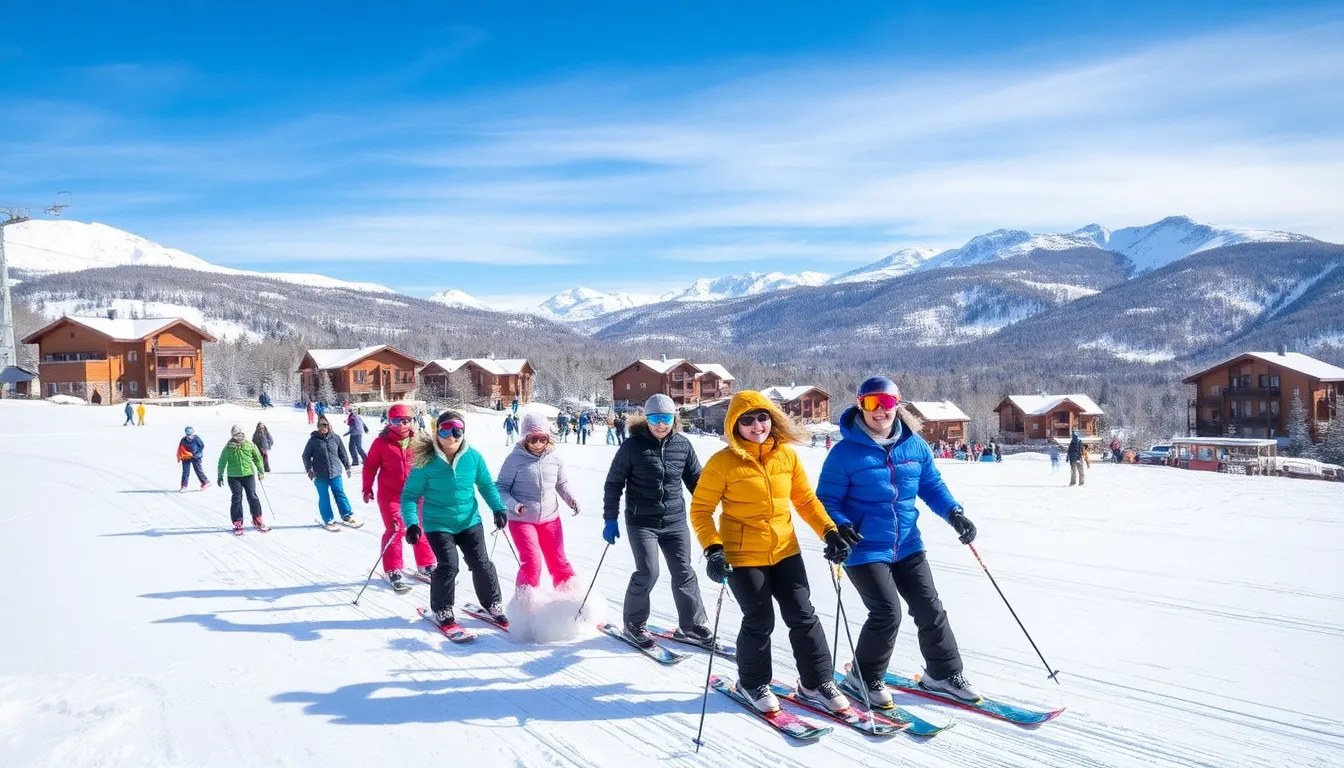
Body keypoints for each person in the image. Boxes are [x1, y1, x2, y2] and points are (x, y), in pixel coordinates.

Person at [817, 376, 982, 707]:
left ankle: (942, 673)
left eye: (887, 403)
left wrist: (954, 513)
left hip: (907, 543)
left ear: (898, 404)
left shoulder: (915, 445)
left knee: (929, 607)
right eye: (871, 404)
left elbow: (931, 485)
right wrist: (841, 526)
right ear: (859, 405)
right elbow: (826, 499)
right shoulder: (844, 453)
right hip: (862, 547)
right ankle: (863, 677)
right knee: (887, 612)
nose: (880, 411)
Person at [689, 390, 851, 715]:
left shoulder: (786, 456)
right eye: (747, 420)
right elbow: (701, 510)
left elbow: (805, 501)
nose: (756, 425)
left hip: (785, 549)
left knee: (803, 614)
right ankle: (752, 682)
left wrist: (830, 531)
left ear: (771, 419)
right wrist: (713, 550)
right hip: (742, 554)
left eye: (762, 417)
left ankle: (816, 683)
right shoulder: (722, 463)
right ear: (735, 425)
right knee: (759, 619)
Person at [604, 394, 712, 646]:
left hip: (675, 522)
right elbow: (614, 484)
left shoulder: (683, 445)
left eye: (665, 418)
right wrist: (610, 518)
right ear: (646, 418)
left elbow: (697, 482)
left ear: (674, 418)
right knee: (648, 572)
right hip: (642, 522)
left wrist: (717, 504)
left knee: (684, 572)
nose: (660, 424)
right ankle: (634, 624)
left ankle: (691, 626)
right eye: (654, 418)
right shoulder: (631, 447)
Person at [401, 411, 509, 628]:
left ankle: (492, 603)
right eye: (445, 430)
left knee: (481, 563)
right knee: (449, 565)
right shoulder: (426, 462)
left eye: (457, 430)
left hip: (469, 521)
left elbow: (486, 485)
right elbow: (410, 496)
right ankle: (441, 608)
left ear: (463, 432)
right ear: (437, 432)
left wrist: (498, 508)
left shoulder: (474, 457)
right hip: (438, 524)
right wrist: (412, 523)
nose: (451, 436)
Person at [496, 413, 579, 592]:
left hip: (550, 517)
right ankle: (525, 604)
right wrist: (514, 505)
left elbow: (561, 484)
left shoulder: (555, 458)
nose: (539, 443)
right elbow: (500, 487)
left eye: (543, 438)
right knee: (532, 561)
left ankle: (571, 598)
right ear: (525, 438)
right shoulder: (514, 460)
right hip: (522, 519)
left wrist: (570, 499)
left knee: (558, 559)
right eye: (533, 439)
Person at [363, 402, 435, 591]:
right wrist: (367, 487)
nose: (402, 425)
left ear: (412, 421)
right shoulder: (381, 443)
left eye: (406, 420)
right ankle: (393, 569)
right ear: (389, 422)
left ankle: (426, 564)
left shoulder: (420, 441)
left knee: (419, 527)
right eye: (396, 421)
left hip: (416, 495)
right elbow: (370, 466)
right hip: (390, 495)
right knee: (396, 529)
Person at [303, 415, 360, 528]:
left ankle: (346, 515)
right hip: (320, 474)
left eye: (324, 425)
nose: (322, 428)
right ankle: (328, 518)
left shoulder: (336, 438)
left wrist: (347, 466)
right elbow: (306, 456)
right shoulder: (313, 441)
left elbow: (342, 453)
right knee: (324, 496)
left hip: (335, 472)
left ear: (329, 426)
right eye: (320, 426)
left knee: (339, 493)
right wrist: (309, 469)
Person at [217, 424, 266, 532]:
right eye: (236, 435)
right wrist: (220, 475)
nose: (239, 437)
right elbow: (222, 461)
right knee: (237, 498)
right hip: (234, 477)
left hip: (248, 475)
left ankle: (257, 517)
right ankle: (237, 521)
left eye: (240, 434)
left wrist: (261, 471)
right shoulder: (228, 447)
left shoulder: (249, 445)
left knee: (252, 496)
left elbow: (257, 458)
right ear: (233, 436)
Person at [177, 427, 209, 491]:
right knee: (185, 471)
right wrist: (179, 456)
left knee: (198, 470)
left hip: (196, 457)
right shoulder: (183, 440)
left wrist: (196, 454)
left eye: (190, 434)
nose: (189, 437)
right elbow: (180, 449)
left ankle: (205, 482)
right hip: (186, 457)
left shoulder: (196, 439)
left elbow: (201, 446)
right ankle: (184, 486)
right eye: (188, 434)